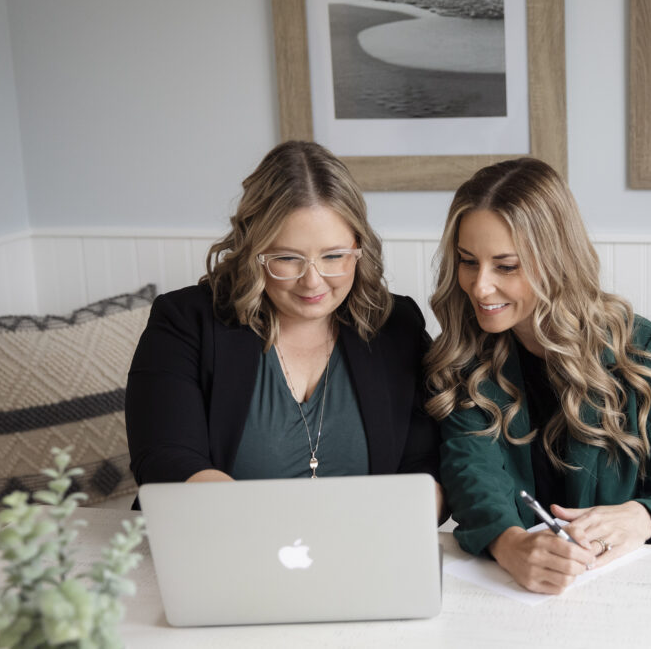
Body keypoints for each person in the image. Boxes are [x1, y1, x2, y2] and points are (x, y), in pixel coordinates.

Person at [425, 157, 651, 593]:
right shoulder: (465, 353)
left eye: (506, 266)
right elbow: (472, 481)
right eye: (469, 261)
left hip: (627, 594)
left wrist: (643, 516)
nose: (480, 287)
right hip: (511, 595)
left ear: (556, 260)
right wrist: (510, 544)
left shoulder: (642, 351)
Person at [126, 141, 443, 516]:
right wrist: (276, 527)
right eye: (287, 258)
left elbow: (428, 467)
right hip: (223, 543)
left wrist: (390, 518)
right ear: (252, 251)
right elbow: (165, 460)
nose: (313, 282)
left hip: (363, 551)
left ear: (359, 247)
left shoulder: (396, 325)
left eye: (334, 256)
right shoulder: (184, 321)